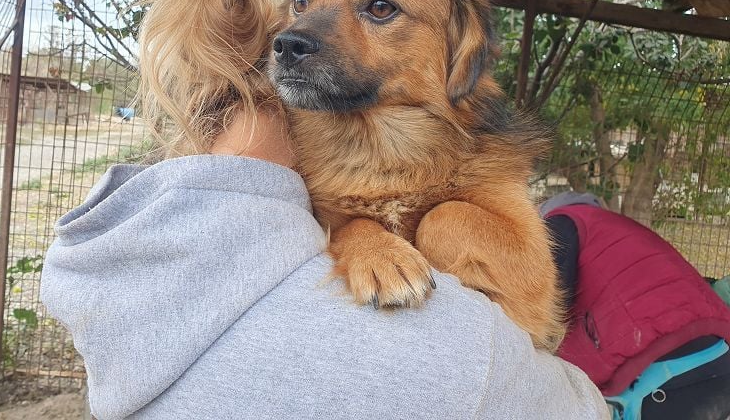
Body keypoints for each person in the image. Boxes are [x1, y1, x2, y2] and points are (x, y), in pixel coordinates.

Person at [40, 106, 609, 420]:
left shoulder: (113, 262)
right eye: (302, 2)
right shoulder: (307, 234)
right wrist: (360, 234)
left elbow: (533, 301)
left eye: (380, 8)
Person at [541, 192, 730, 420]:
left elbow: (545, 311)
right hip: (717, 354)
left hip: (663, 373)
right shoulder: (612, 228)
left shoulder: (561, 223)